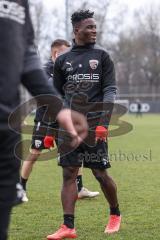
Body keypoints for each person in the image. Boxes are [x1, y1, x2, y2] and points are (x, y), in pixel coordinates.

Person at [0, 2, 88, 240]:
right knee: (36, 153)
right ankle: (24, 184)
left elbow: (26, 55)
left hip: (6, 130)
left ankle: (79, 187)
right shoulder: (51, 65)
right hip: (40, 120)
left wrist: (59, 108)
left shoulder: (20, 4)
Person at [47, 10, 121, 240]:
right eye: (89, 27)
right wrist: (49, 130)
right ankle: (68, 226)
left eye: (95, 27)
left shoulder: (102, 56)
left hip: (94, 126)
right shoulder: (62, 60)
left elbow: (110, 90)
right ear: (76, 30)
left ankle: (115, 213)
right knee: (69, 174)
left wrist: (103, 123)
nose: (94, 31)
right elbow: (55, 97)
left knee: (100, 173)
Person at [20, 39, 99, 202]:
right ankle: (21, 189)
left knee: (75, 150)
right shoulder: (45, 71)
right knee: (35, 153)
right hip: (45, 117)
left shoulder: (67, 68)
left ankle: (79, 189)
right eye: (66, 53)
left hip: (63, 117)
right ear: (56, 54)